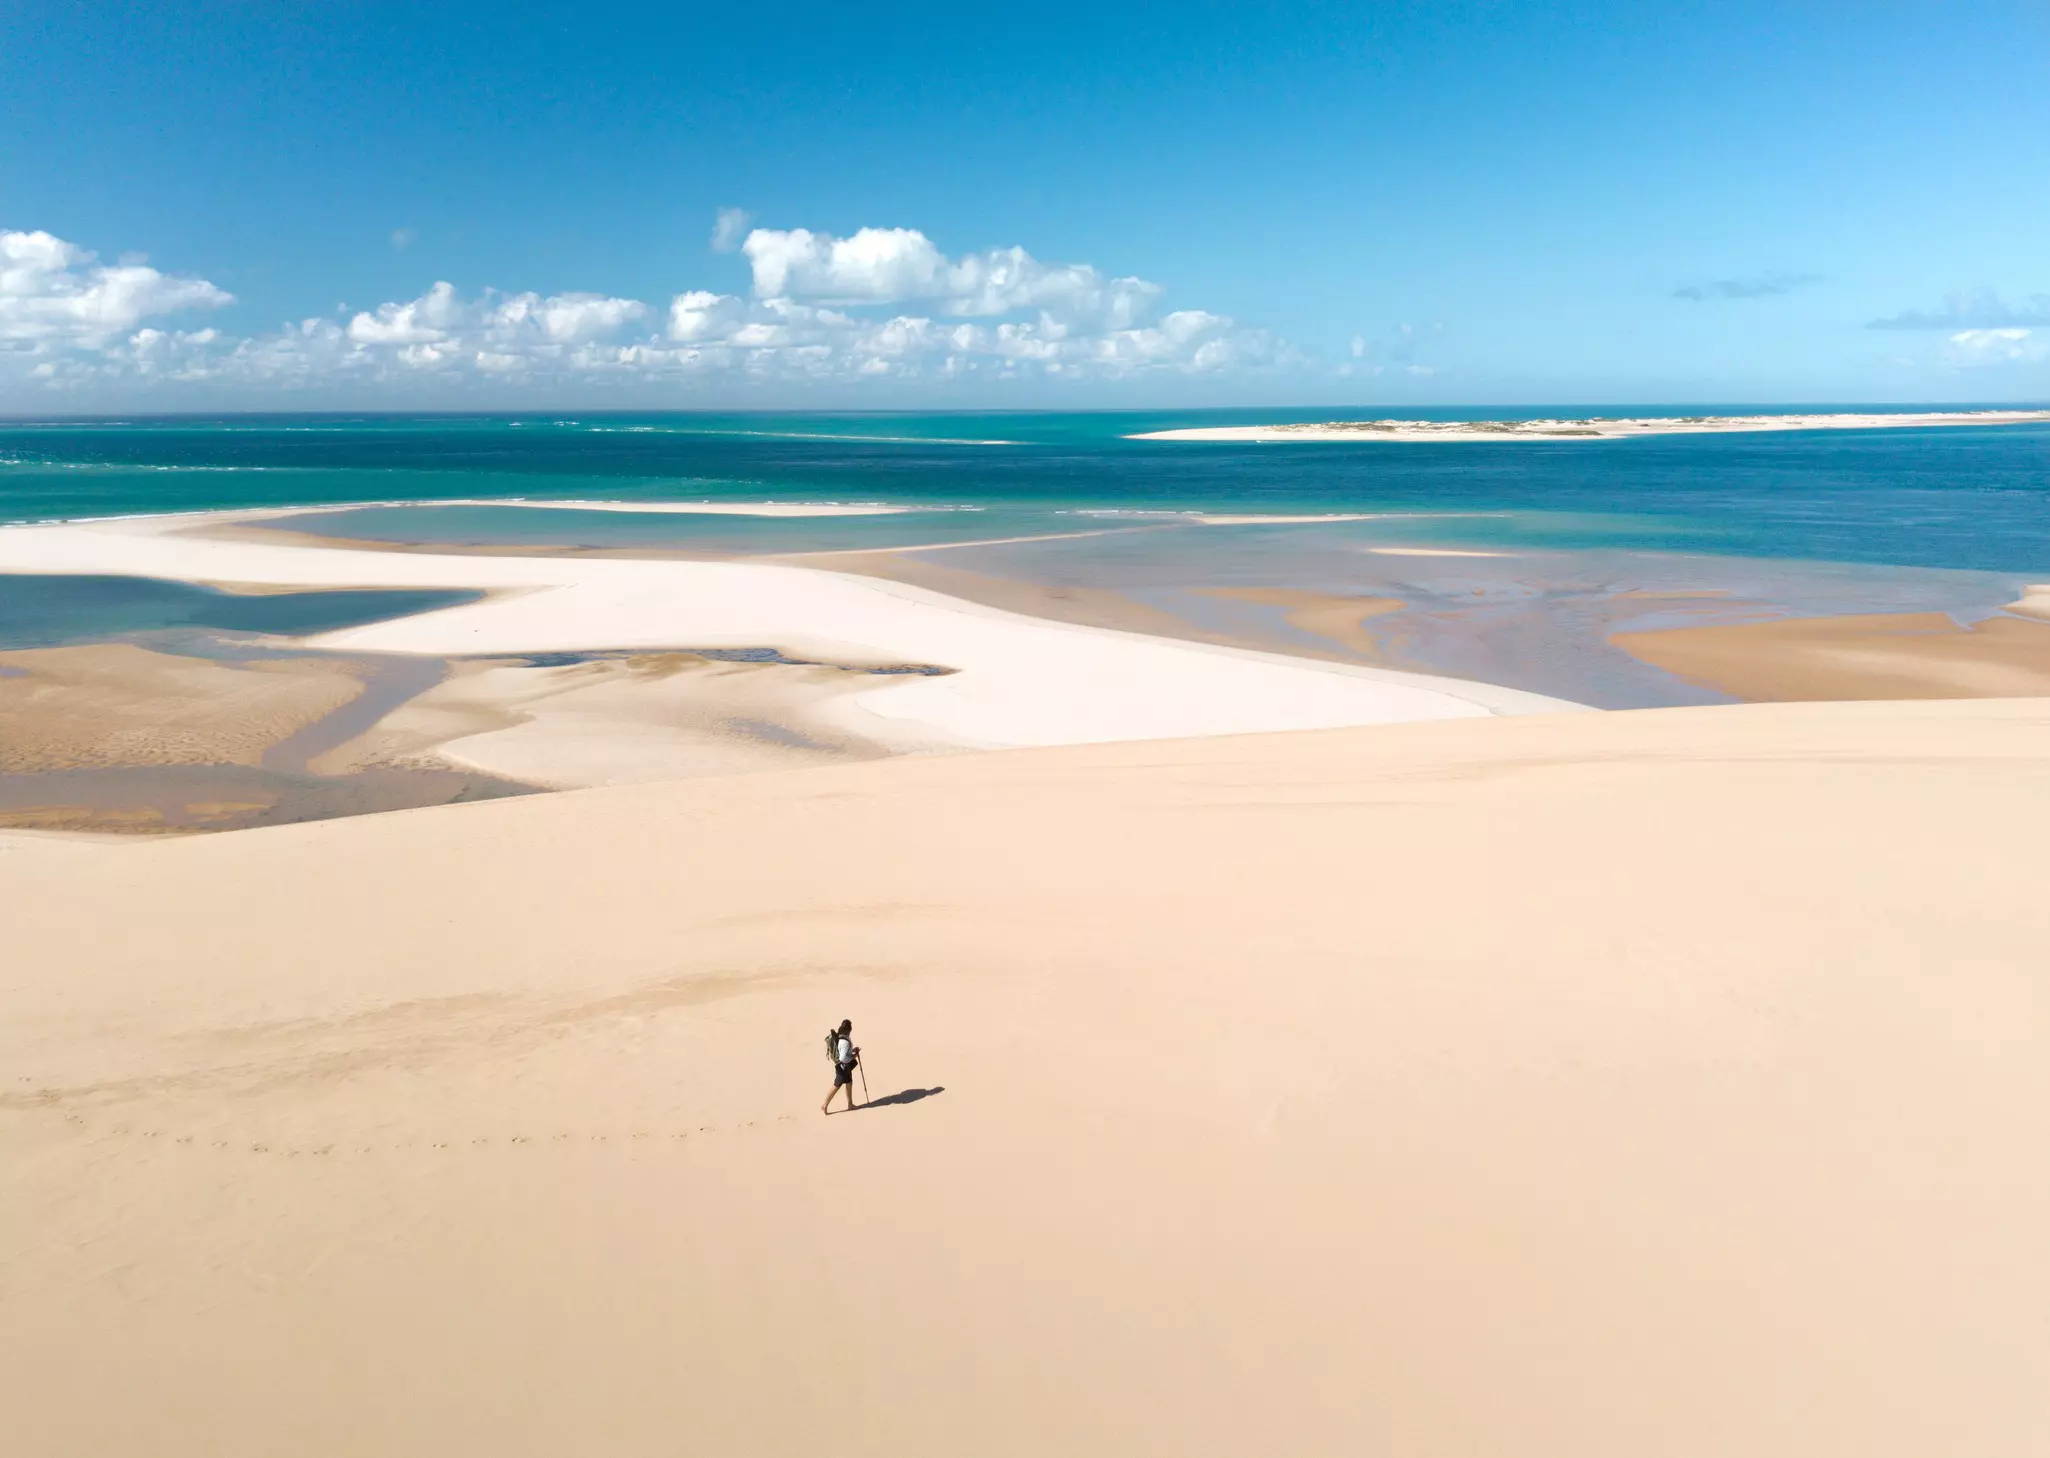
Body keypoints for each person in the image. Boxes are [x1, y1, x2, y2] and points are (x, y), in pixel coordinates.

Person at [821, 1018, 860, 1114]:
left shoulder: (841, 1037)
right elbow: (843, 1058)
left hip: (844, 1067)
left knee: (849, 1082)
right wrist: (854, 1056)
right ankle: (824, 1105)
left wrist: (852, 1050)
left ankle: (850, 1104)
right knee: (836, 1085)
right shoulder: (845, 1041)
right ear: (848, 1030)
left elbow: (842, 1051)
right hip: (842, 1067)